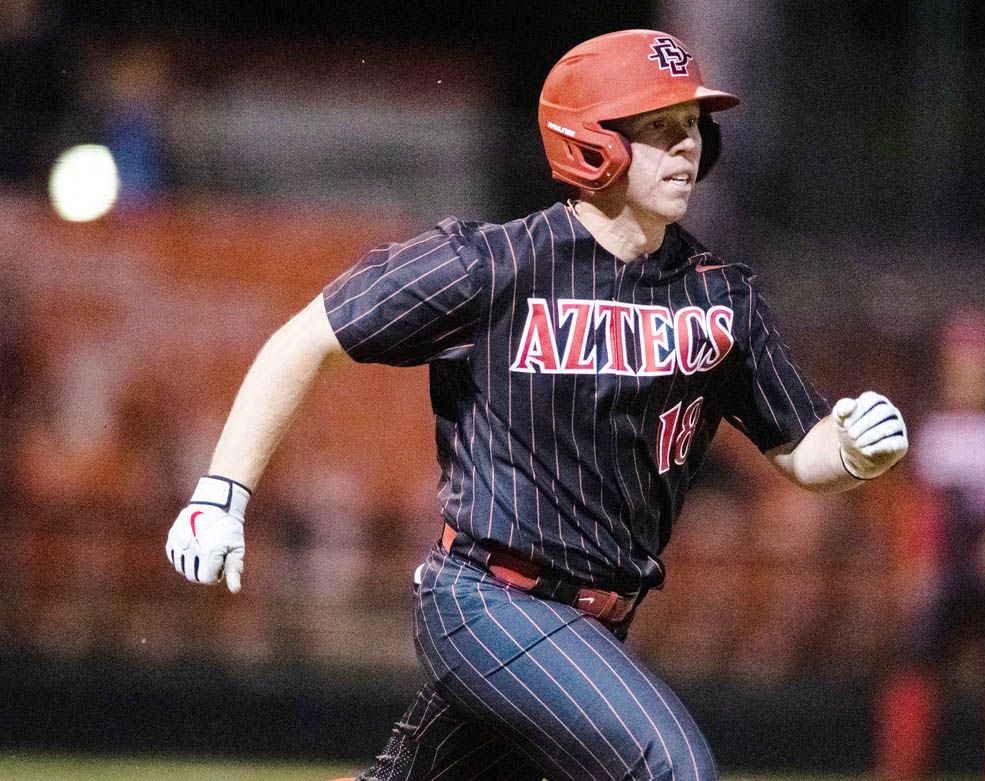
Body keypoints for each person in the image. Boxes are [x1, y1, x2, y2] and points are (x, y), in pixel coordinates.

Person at [166, 30, 909, 781]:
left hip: (590, 627)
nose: (686, 146)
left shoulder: (722, 294)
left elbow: (800, 449)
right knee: (671, 768)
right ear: (590, 142)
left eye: (691, 126)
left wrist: (849, 451)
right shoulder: (493, 265)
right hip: (486, 599)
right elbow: (302, 341)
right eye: (657, 128)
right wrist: (220, 494)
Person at [875, 309, 985, 781]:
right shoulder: (928, 419)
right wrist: (916, 559)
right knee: (917, 663)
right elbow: (917, 500)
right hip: (946, 565)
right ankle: (903, 768)